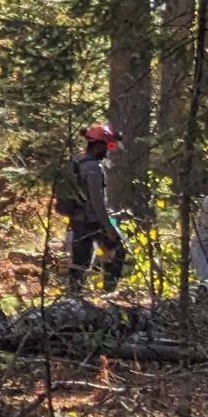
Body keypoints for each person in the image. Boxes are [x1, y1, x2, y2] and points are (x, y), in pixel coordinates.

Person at [61, 122, 128, 298]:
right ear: (98, 145)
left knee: (79, 261)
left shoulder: (76, 161)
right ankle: (108, 293)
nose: (107, 151)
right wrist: (108, 227)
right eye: (106, 147)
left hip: (77, 221)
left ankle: (73, 297)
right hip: (93, 220)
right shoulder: (93, 169)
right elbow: (97, 202)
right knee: (118, 251)